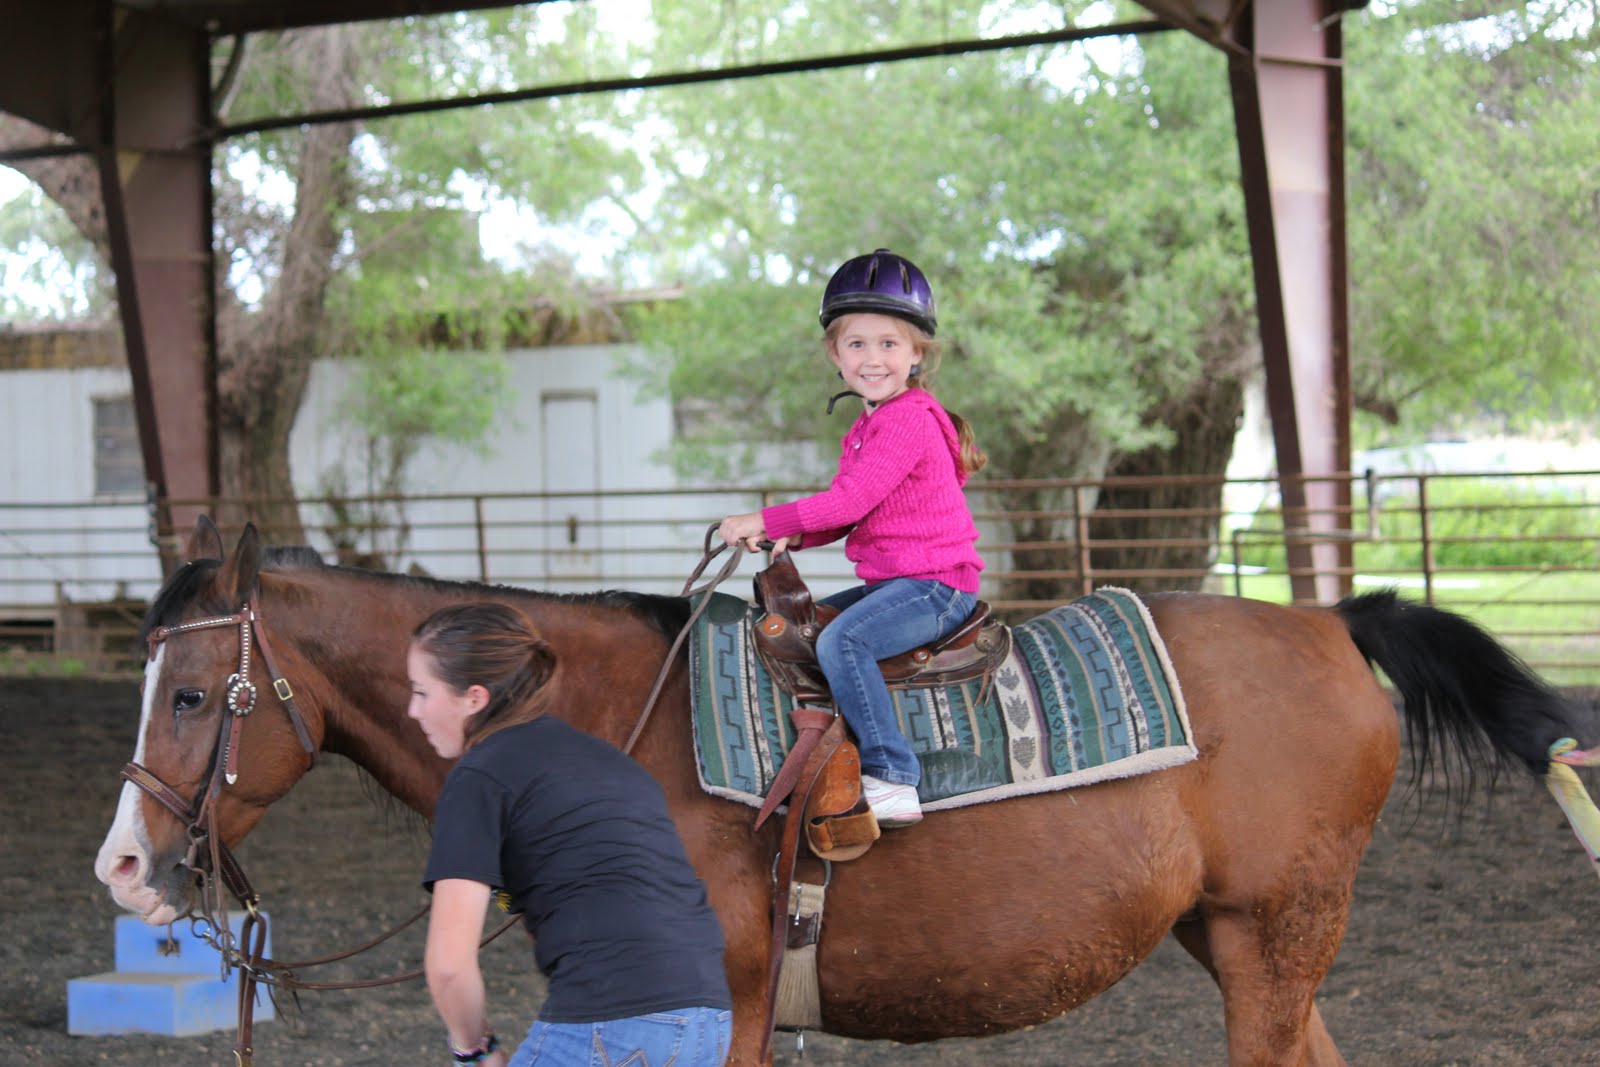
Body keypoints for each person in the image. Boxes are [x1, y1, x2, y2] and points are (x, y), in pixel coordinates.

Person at [717, 248, 987, 829]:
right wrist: (793, 540)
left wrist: (766, 520)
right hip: (901, 580)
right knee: (801, 627)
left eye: (889, 344)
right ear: (834, 355)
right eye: (857, 344)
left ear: (917, 354)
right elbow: (847, 517)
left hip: (935, 585)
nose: (873, 358)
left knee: (843, 643)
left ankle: (893, 775)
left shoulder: (907, 418)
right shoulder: (869, 424)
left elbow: (848, 502)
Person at [406, 601, 733, 1067]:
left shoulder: (480, 776)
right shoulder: (607, 762)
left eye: (421, 692)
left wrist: (475, 1050)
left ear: (474, 698)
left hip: (612, 1023)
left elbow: (448, 966)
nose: (412, 710)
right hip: (706, 1022)